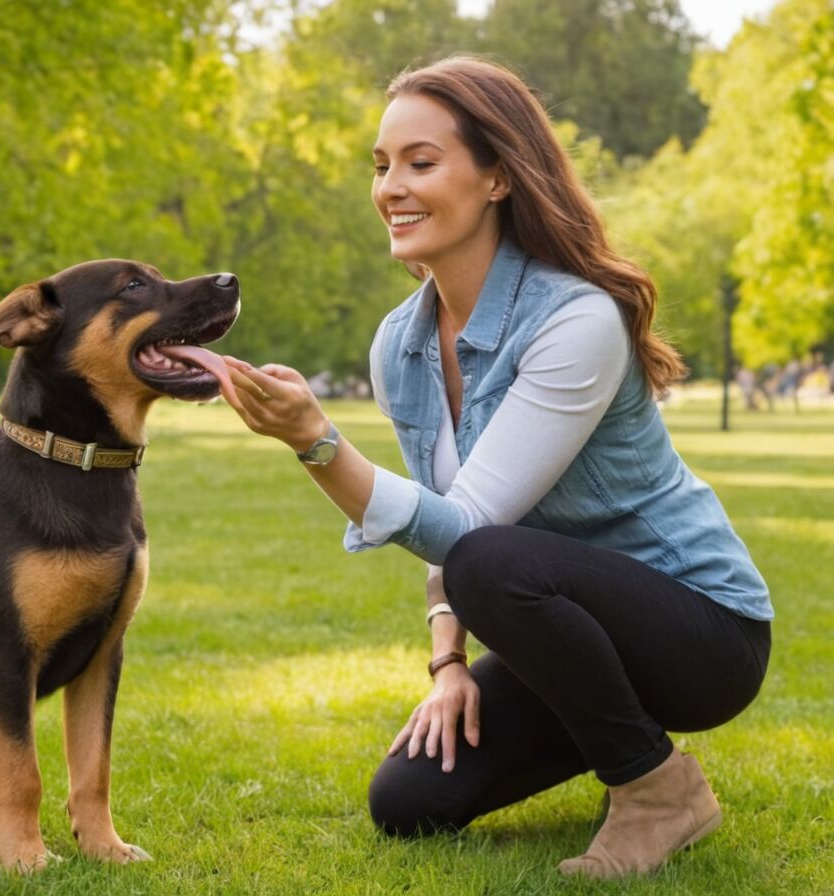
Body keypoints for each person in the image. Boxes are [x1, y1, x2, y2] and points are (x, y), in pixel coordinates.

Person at [216, 56, 771, 879]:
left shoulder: (577, 319)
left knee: (489, 559)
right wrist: (447, 666)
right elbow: (451, 536)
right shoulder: (398, 345)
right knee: (408, 802)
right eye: (381, 166)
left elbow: (470, 535)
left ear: (499, 178)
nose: (391, 188)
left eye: (421, 162)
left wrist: (317, 445)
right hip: (563, 626)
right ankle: (623, 741)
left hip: (703, 632)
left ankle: (657, 792)